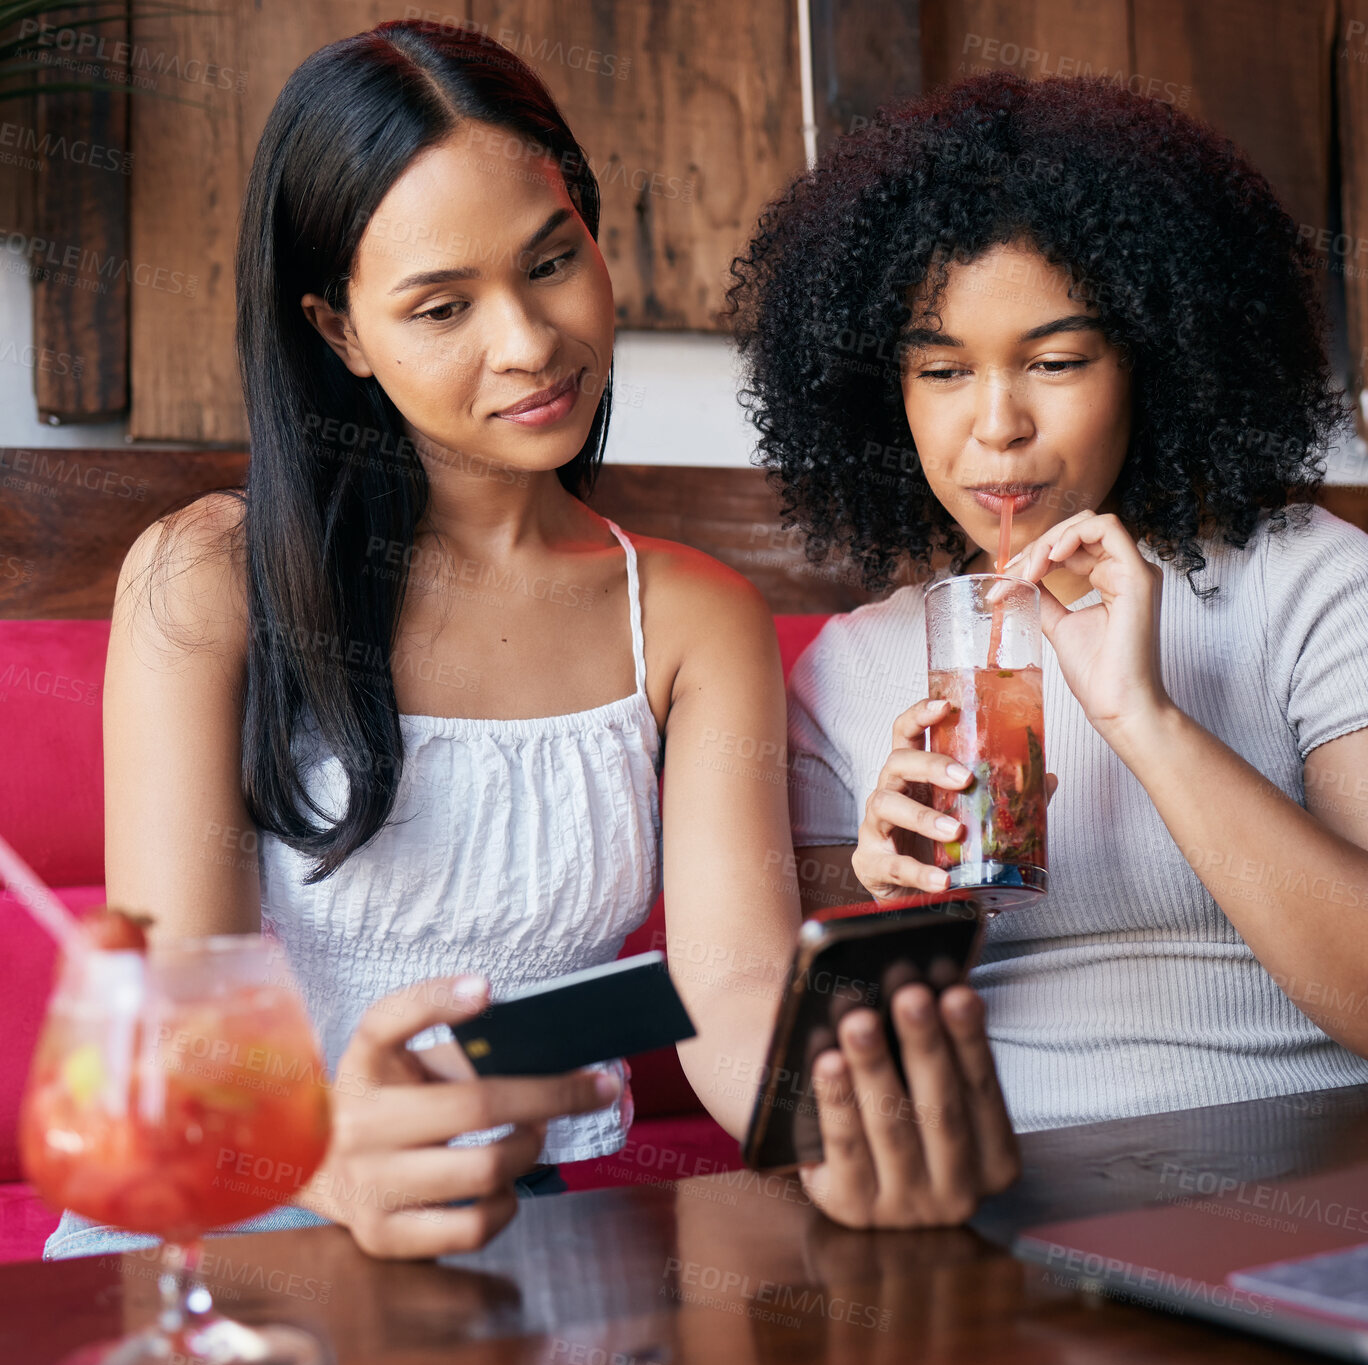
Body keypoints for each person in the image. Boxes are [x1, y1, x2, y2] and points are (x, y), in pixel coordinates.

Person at [45, 20, 804, 1260]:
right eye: (442, 306)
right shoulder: (210, 581)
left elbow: (729, 989)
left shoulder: (690, 618)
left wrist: (848, 1122)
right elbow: (185, 1021)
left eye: (552, 261)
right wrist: (325, 1162)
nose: (528, 343)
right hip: (228, 1233)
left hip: (526, 1244)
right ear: (341, 332)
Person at [727, 70, 1368, 1223]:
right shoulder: (864, 668)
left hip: (1315, 1177)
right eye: (941, 370)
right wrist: (888, 897)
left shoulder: (1309, 582)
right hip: (998, 1206)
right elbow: (802, 1071)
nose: (996, 426)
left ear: (1156, 359)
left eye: (1057, 362)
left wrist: (1145, 720)